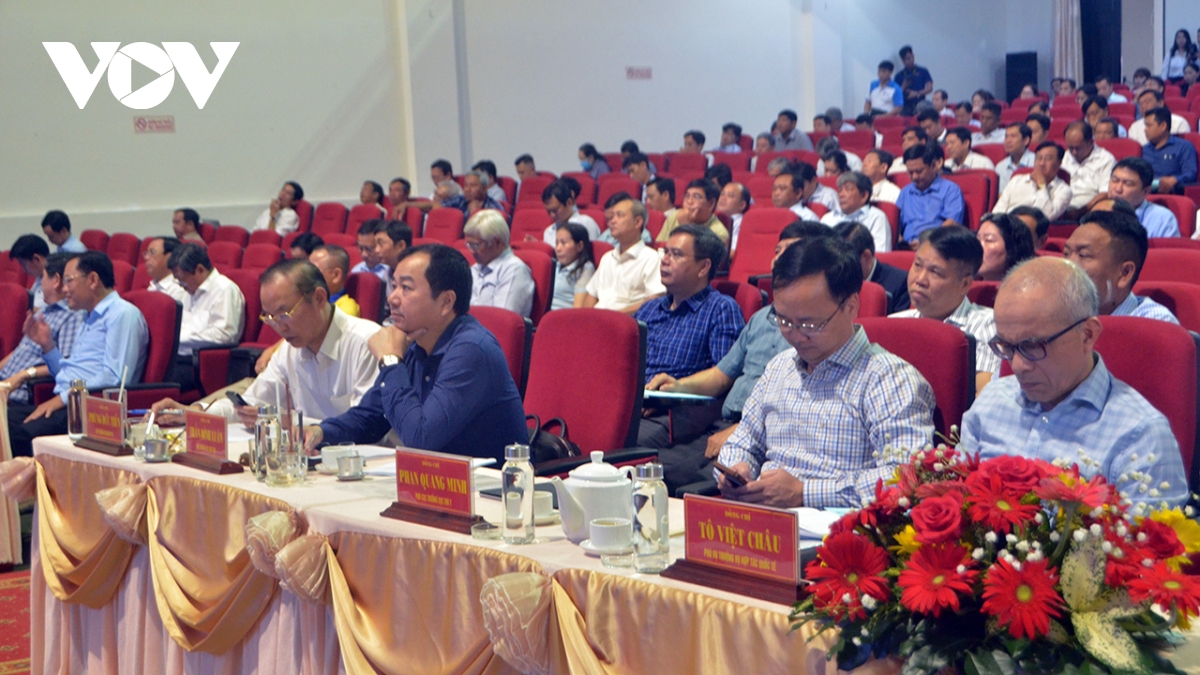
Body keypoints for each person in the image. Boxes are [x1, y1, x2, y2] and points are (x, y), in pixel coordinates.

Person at [715, 237, 935, 508]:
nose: (795, 335)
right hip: (764, 517)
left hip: (838, 525)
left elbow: (908, 476)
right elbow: (741, 442)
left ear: (851, 306)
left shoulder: (890, 379)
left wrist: (805, 492)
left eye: (810, 324)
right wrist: (736, 470)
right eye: (783, 320)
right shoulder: (779, 367)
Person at [957, 256, 1187, 510]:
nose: (1018, 366)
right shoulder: (991, 401)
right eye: (1006, 346)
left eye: (1033, 346)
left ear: (1087, 335)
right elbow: (956, 497)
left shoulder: (1140, 435)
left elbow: (1151, 535)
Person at [305, 244, 528, 462]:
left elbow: (420, 439)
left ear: (446, 302)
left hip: (491, 482)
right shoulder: (414, 343)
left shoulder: (471, 350)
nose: (392, 298)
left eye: (406, 288)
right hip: (435, 479)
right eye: (394, 285)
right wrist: (322, 432)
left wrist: (390, 361)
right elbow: (371, 417)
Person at [644, 227, 816, 494]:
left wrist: (741, 430)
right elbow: (721, 375)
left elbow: (799, 402)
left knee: (682, 486)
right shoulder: (760, 318)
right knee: (651, 471)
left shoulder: (812, 329)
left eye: (790, 252)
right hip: (724, 424)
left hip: (760, 432)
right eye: (777, 251)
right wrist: (677, 386)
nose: (778, 259)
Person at [152, 259, 382, 426]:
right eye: (269, 317)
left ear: (319, 298)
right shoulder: (290, 349)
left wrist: (289, 422)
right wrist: (193, 413)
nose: (279, 327)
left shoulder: (367, 343)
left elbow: (364, 425)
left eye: (284, 314)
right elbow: (249, 405)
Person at [7, 252, 148, 457]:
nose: (64, 289)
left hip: (89, 410)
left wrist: (63, 399)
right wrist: (47, 345)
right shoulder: (88, 316)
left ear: (92, 280)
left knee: (17, 436)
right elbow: (67, 373)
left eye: (68, 281)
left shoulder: (122, 314)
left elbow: (114, 378)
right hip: (68, 402)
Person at [891, 226, 999, 392]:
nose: (920, 279)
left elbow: (982, 395)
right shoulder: (894, 323)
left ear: (964, 284)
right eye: (917, 265)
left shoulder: (987, 326)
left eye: (935, 272)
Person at [636, 225, 743, 391]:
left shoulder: (721, 310)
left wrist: (675, 391)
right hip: (633, 397)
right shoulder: (649, 309)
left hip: (676, 403)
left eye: (676, 254)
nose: (665, 260)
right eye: (666, 252)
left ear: (703, 267)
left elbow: (725, 377)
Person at [1063, 209, 1178, 324]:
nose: (1067, 264)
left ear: (1124, 273)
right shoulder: (1059, 311)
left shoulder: (1155, 322)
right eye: (1066, 253)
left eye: (1084, 255)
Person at [0, 253, 85, 404]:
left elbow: (66, 366)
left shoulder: (72, 316)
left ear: (56, 281)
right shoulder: (44, 311)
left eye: (43, 277)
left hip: (17, 394)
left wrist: (24, 374)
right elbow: (22, 349)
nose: (39, 285)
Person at [168, 243, 246, 390]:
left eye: (182, 280)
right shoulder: (188, 292)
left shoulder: (224, 289)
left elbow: (224, 336)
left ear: (200, 269)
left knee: (157, 379)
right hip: (179, 358)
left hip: (202, 364)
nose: (181, 285)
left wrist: (178, 338)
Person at [582, 197, 665, 314]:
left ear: (638, 222)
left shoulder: (651, 258)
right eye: (612, 216)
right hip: (598, 319)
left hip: (627, 321)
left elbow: (655, 299)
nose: (612, 221)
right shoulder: (607, 257)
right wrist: (587, 317)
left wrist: (615, 317)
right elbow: (592, 295)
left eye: (619, 215)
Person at [462, 209, 534, 318]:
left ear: (497, 243)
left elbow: (502, 319)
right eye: (469, 245)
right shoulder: (475, 268)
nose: (471, 251)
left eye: (476, 245)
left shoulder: (514, 269)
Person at [896, 144, 964, 247]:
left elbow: (952, 223)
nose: (914, 177)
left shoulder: (950, 190)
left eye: (919, 171)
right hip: (907, 246)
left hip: (937, 245)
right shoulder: (905, 192)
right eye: (910, 172)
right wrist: (901, 242)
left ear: (933, 166)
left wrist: (925, 243)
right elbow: (896, 225)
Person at [835, 221, 910, 313]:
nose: (838, 270)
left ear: (866, 257)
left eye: (845, 264)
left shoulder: (900, 285)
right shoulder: (831, 280)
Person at [993, 141, 1073, 221]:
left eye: (1048, 159)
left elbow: (1046, 217)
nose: (1042, 163)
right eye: (1039, 158)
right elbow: (998, 211)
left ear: (1059, 163)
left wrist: (1041, 185)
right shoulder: (1016, 180)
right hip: (1007, 225)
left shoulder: (1064, 190)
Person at [1108, 157, 1181, 237]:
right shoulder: (1100, 211)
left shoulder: (1163, 219)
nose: (1118, 189)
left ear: (1146, 191)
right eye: (1115, 180)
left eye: (1128, 184)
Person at [820, 172, 891, 252]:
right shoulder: (828, 218)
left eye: (848, 189)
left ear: (864, 195)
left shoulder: (876, 218)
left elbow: (880, 253)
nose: (841, 194)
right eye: (840, 190)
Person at [1062, 121, 1117, 215]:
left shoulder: (1106, 159)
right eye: (1070, 148)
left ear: (1091, 142)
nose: (1074, 152)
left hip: (1091, 209)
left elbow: (1105, 193)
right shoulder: (1063, 157)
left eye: (1078, 148)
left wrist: (1082, 210)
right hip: (1062, 208)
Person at [1142, 107, 1198, 193]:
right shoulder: (1144, 149)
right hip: (1146, 194)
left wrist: (1175, 180)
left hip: (1174, 193)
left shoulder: (1184, 147)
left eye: (1149, 125)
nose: (1145, 130)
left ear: (1163, 126)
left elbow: (1190, 174)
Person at [658, 179, 730, 245]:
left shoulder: (719, 233)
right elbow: (659, 245)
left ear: (711, 204)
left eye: (696, 197)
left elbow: (691, 254)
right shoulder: (675, 216)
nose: (689, 201)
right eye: (687, 196)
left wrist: (686, 227)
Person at [537, 179, 601, 245]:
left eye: (555, 210)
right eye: (548, 211)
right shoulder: (549, 231)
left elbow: (590, 250)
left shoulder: (586, 223)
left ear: (569, 203)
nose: (552, 215)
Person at [976, 212, 1036, 281]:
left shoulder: (1030, 286)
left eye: (989, 240)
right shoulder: (967, 284)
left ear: (1012, 248)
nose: (978, 246)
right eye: (977, 239)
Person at [551, 223, 595, 310]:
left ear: (579, 246)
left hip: (563, 315)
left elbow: (578, 308)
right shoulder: (553, 265)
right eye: (556, 243)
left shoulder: (585, 268)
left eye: (563, 243)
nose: (558, 248)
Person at [309, 245, 361, 317]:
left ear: (336, 275)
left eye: (313, 271)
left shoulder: (346, 309)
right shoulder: (307, 300)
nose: (307, 275)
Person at [1129, 89, 1193, 144]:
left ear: (1160, 103)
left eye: (1147, 102)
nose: (1143, 106)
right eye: (1140, 104)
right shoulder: (1135, 127)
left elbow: (1182, 147)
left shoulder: (1179, 123)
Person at [141, 237, 188, 304]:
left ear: (170, 257)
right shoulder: (153, 285)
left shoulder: (179, 289)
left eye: (152, 252)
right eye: (146, 253)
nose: (146, 257)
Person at [10, 235, 49, 309]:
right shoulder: (40, 277)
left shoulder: (58, 281)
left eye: (23, 264)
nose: (23, 270)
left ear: (37, 259)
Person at [995, 122, 1036, 192]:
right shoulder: (1001, 166)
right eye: (1006, 137)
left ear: (1026, 140)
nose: (1008, 141)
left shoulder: (1036, 162)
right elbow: (1001, 194)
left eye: (1013, 136)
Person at [897, 45, 934, 115]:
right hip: (905, 106)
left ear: (913, 56)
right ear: (902, 61)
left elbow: (930, 88)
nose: (907, 61)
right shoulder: (899, 75)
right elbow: (896, 94)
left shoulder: (923, 71)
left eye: (909, 58)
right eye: (904, 60)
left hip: (920, 104)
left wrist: (916, 94)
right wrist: (903, 86)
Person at [718, 182, 751, 252]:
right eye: (722, 194)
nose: (723, 198)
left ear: (742, 205)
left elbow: (733, 251)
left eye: (730, 195)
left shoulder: (742, 223)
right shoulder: (713, 218)